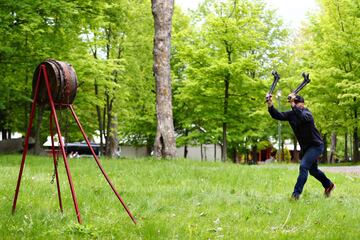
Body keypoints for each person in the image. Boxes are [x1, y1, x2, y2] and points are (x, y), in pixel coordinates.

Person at [266, 92, 335, 200]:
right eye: (295, 103)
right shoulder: (291, 114)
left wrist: (293, 105)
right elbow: (277, 115)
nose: (297, 105)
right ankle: (328, 185)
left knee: (303, 166)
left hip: (316, 146)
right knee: (313, 171)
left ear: (303, 104)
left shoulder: (307, 114)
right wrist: (270, 104)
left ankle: (295, 195)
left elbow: (302, 117)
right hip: (306, 148)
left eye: (298, 103)